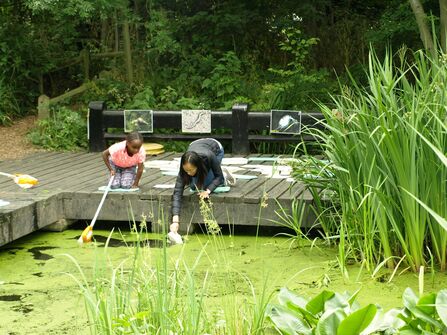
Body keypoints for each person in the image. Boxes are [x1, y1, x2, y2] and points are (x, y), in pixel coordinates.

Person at [170, 138, 235, 237]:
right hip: (195, 144)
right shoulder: (185, 166)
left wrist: (208, 191)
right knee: (193, 186)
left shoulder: (209, 156)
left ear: (198, 166)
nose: (188, 173)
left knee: (208, 183)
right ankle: (210, 173)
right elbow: (177, 192)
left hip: (215, 148)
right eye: (186, 170)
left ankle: (224, 173)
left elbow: (219, 177)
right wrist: (175, 220)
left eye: (191, 170)